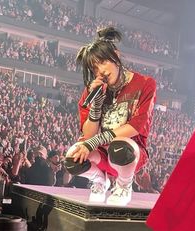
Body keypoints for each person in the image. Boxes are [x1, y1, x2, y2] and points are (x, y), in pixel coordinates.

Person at [64, 26, 156, 206]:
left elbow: (136, 126)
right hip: (102, 154)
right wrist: (96, 104)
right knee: (72, 157)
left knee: (119, 146)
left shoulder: (145, 84)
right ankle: (99, 180)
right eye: (94, 68)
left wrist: (92, 143)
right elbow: (88, 135)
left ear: (116, 55)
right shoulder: (91, 91)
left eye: (103, 62)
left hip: (129, 152)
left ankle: (123, 185)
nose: (101, 71)